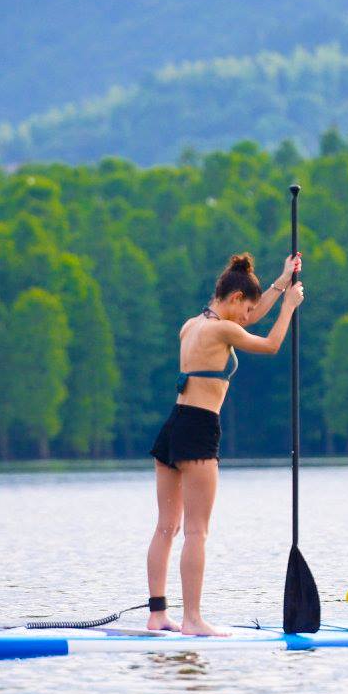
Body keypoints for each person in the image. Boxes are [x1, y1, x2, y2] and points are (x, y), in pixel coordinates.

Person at [146, 251, 304, 636]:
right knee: (197, 530)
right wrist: (290, 306)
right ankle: (193, 620)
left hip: (173, 425)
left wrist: (281, 281)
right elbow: (269, 344)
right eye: (245, 309)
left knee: (167, 526)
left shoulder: (193, 325)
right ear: (234, 299)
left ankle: (157, 614)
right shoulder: (223, 330)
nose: (248, 317)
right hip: (199, 428)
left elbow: (249, 317)